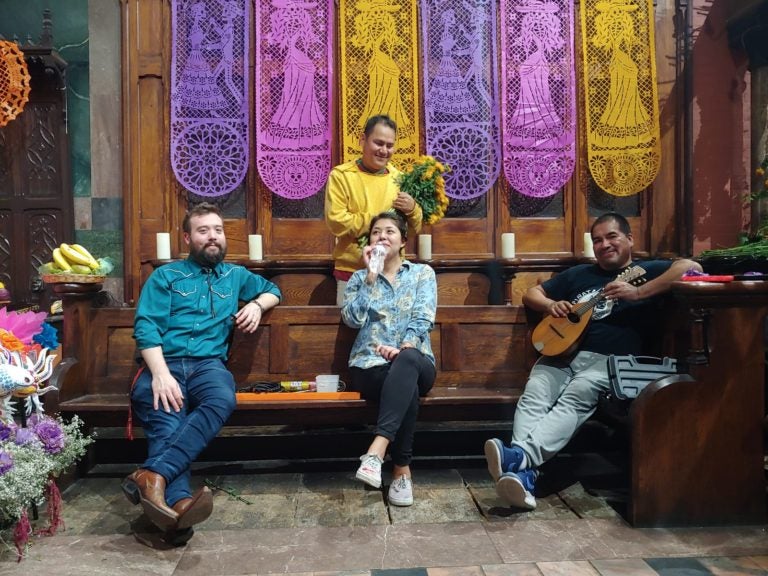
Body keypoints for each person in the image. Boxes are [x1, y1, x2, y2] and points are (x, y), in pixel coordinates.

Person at [484, 212, 701, 510]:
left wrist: (638, 293)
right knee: (534, 393)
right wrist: (551, 305)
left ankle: (520, 459)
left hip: (610, 361)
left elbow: (691, 267)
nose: (604, 244)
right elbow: (532, 293)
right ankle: (525, 474)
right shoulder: (579, 275)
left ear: (629, 239)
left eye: (612, 237)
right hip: (561, 353)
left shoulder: (646, 269)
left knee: (577, 394)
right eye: (597, 240)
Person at [123, 202, 281, 544]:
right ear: (187, 237)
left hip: (208, 365)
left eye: (218, 230)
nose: (213, 237)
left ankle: (152, 476)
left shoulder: (236, 276)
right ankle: (178, 506)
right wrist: (161, 375)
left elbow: (274, 291)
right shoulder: (165, 276)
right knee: (168, 418)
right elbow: (146, 327)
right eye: (203, 230)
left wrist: (256, 304)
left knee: (222, 398)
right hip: (162, 363)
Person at [341, 211, 437, 506]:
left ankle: (376, 449)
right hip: (369, 364)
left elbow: (423, 317)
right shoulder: (358, 278)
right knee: (402, 386)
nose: (382, 236)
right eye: (376, 232)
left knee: (407, 361)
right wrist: (371, 275)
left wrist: (405, 346)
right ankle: (401, 472)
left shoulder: (422, 274)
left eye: (390, 231)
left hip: (417, 361)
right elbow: (352, 320)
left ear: (403, 240)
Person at [325, 115, 423, 305]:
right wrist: (382, 224)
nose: (384, 150)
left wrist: (412, 210)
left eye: (389, 145)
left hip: (391, 273)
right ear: (363, 140)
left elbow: (410, 230)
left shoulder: (400, 179)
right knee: (350, 330)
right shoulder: (342, 176)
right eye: (378, 143)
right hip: (352, 272)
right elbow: (336, 221)